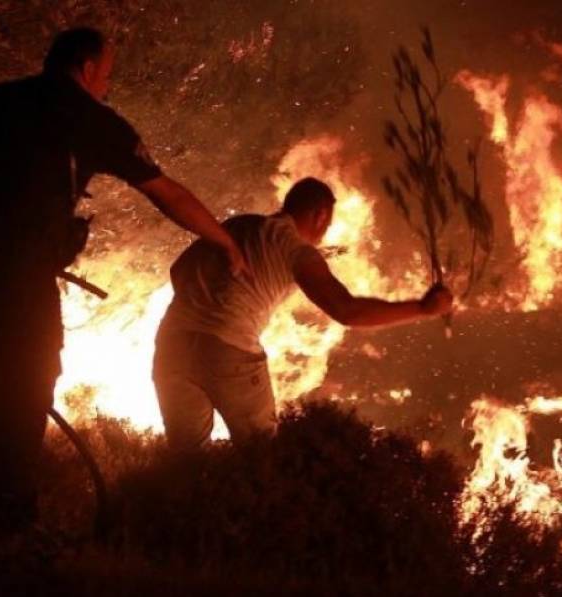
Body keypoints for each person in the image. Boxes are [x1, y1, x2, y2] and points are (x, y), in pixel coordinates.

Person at [0, 27, 246, 528]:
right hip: (20, 275)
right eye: (106, 75)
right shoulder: (88, 119)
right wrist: (223, 240)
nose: (107, 86)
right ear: (86, 67)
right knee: (29, 378)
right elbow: (167, 193)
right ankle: (10, 515)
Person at [153, 177, 453, 453]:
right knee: (261, 454)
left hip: (171, 344)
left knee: (188, 459)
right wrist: (423, 309)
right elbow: (346, 311)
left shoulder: (239, 225)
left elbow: (178, 269)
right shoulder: (294, 249)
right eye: (328, 222)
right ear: (320, 215)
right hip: (228, 350)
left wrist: (205, 298)